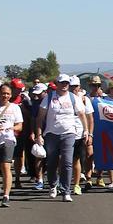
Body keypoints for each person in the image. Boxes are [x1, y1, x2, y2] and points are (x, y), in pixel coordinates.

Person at [35, 74, 89, 202]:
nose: (64, 85)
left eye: (66, 83)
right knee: (52, 162)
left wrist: (86, 130)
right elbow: (40, 117)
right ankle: (53, 185)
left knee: (67, 162)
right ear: (57, 84)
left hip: (69, 133)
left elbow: (82, 114)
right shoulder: (49, 98)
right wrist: (38, 134)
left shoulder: (73, 98)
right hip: (51, 134)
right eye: (62, 83)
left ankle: (66, 190)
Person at [69, 75, 94, 195]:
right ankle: (63, 183)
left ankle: (77, 184)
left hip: (80, 133)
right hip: (65, 133)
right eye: (71, 86)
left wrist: (90, 134)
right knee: (62, 160)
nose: (74, 88)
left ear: (79, 87)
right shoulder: (64, 98)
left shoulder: (84, 99)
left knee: (76, 159)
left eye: (76, 86)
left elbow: (90, 118)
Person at [29, 83, 48, 190]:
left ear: (45, 92)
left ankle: (55, 180)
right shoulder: (36, 104)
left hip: (52, 133)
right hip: (39, 133)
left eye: (40, 93)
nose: (38, 96)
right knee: (39, 156)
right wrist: (33, 132)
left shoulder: (52, 102)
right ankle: (40, 180)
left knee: (54, 158)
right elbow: (33, 119)